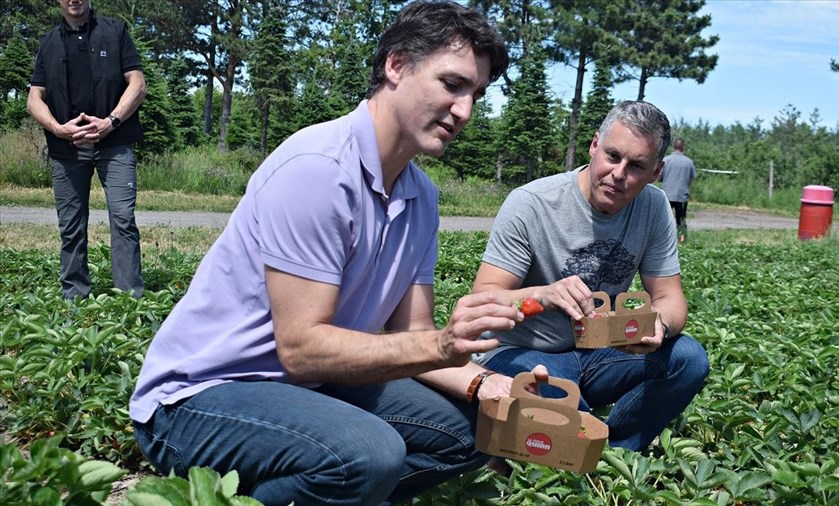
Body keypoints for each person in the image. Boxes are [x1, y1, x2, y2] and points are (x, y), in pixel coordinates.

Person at [130, 2, 543, 504]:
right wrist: (441, 344)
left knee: (476, 432)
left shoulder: (421, 197)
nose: (465, 111)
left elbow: (413, 335)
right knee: (369, 453)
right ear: (396, 65)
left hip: (311, 388)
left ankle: (318, 489)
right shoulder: (320, 169)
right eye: (452, 84)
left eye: (476, 93)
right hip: (202, 398)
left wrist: (491, 385)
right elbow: (303, 351)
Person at [471, 100, 710, 452]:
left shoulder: (655, 207)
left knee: (687, 359)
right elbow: (483, 301)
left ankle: (618, 452)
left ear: (655, 172)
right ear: (594, 145)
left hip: (596, 351)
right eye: (613, 156)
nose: (618, 173)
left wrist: (658, 324)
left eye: (636, 166)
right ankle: (583, 448)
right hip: (520, 351)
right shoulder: (532, 203)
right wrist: (543, 297)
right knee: (562, 410)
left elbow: (669, 297)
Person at [28, 0, 147, 300]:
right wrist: (57, 128)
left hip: (115, 144)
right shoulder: (49, 42)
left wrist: (111, 121)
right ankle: (74, 297)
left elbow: (138, 84)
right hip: (67, 147)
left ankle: (128, 299)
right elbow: (34, 99)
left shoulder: (115, 31)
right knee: (71, 227)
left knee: (123, 219)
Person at [659, 137, 697, 243]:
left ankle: (664, 239)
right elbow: (691, 178)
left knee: (665, 219)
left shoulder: (666, 160)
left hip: (667, 195)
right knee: (681, 219)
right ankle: (681, 238)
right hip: (681, 195)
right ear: (683, 147)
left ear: (673, 146)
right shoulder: (689, 162)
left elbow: (660, 177)